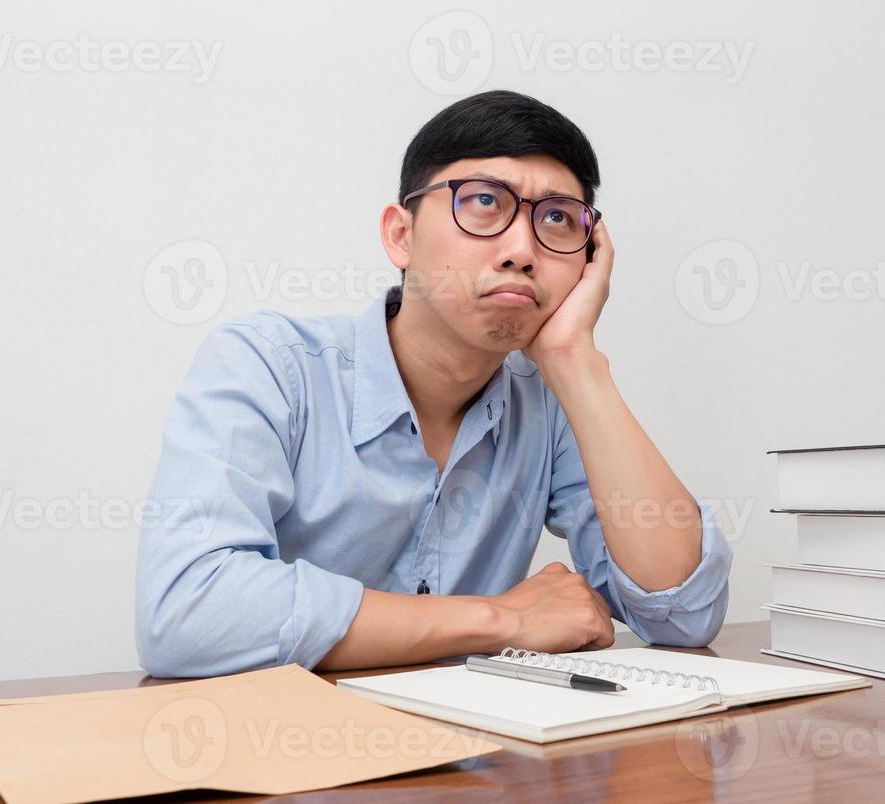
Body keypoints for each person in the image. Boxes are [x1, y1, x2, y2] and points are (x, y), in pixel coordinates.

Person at [135, 90, 731, 677]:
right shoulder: (269, 365)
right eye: (483, 203)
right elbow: (188, 612)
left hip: (477, 761)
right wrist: (501, 619)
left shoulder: (549, 401)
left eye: (556, 219)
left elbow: (682, 613)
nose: (522, 250)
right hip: (288, 757)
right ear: (401, 235)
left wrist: (575, 360)